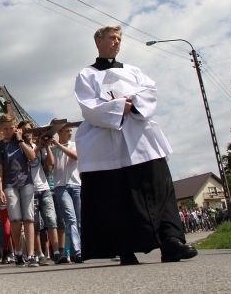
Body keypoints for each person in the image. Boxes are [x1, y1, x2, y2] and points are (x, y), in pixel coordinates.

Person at [74, 25, 198, 265]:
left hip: (142, 140)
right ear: (98, 42)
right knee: (117, 197)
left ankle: (171, 241)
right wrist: (119, 107)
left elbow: (150, 93)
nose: (117, 42)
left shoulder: (133, 71)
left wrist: (132, 101)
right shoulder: (86, 75)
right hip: (108, 145)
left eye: (119, 38)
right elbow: (89, 107)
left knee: (159, 190)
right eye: (112, 38)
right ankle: (125, 248)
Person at [0, 113, 37, 267]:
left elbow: (32, 157)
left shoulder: (22, 140)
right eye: (5, 129)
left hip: (26, 182)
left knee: (29, 218)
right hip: (9, 185)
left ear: (15, 127)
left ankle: (31, 255)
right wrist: (0, 189)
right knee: (16, 220)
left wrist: (19, 140)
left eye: (11, 128)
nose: (8, 131)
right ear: (1, 128)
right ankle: (18, 252)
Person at [26, 126, 63, 265]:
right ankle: (39, 254)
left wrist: (46, 147)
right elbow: (27, 160)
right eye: (27, 131)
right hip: (30, 189)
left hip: (44, 188)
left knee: (51, 220)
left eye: (31, 131)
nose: (30, 133)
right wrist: (37, 148)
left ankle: (57, 253)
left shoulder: (38, 146)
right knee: (34, 224)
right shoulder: (21, 147)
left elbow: (49, 166)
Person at [50, 120, 82, 263]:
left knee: (79, 220)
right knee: (70, 219)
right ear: (59, 132)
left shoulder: (76, 145)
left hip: (76, 185)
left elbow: (75, 156)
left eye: (71, 131)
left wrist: (57, 145)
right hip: (61, 187)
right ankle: (77, 251)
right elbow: (49, 165)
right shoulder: (52, 148)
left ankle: (80, 248)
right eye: (67, 131)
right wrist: (48, 144)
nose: (70, 133)